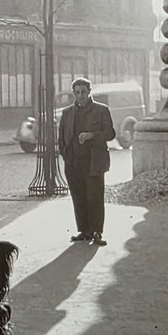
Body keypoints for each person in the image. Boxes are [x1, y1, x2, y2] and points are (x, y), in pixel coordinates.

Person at [57, 76, 115, 246]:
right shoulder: (67, 113)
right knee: (79, 196)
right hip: (73, 162)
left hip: (94, 161)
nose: (80, 95)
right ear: (73, 94)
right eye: (77, 92)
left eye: (83, 92)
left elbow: (110, 133)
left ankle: (97, 232)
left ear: (90, 92)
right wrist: (66, 156)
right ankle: (84, 231)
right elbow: (61, 137)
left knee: (94, 197)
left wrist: (92, 135)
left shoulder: (101, 110)